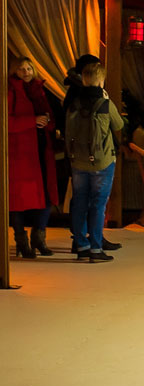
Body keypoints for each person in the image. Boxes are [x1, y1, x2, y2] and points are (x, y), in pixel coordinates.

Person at [66, 62, 124, 263]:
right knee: (98, 204)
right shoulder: (104, 103)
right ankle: (96, 249)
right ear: (101, 81)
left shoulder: (74, 103)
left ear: (84, 80)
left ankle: (81, 246)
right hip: (102, 160)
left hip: (78, 160)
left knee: (79, 202)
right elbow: (119, 124)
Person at [8, 56, 59, 258]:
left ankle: (39, 237)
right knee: (18, 199)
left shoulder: (39, 90)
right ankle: (21, 240)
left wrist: (47, 122)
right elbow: (6, 122)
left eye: (29, 68)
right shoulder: (10, 91)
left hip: (41, 150)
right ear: (14, 71)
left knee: (46, 195)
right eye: (22, 69)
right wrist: (32, 120)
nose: (26, 72)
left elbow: (50, 118)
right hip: (20, 153)